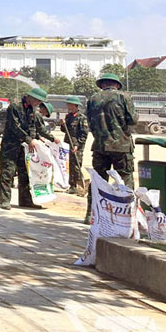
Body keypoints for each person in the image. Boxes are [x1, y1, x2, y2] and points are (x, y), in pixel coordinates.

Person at [86, 73, 138, 223]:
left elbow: (90, 122)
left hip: (100, 146)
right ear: (116, 85)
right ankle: (127, 215)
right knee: (125, 179)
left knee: (98, 181)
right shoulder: (124, 97)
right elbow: (133, 120)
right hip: (121, 146)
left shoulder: (93, 99)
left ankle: (91, 214)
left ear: (102, 84)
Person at [0, 87, 48, 210]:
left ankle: (25, 200)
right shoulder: (14, 107)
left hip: (23, 147)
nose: (38, 104)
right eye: (37, 101)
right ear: (30, 97)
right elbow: (15, 126)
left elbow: (31, 126)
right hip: (10, 145)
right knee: (7, 172)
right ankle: (5, 200)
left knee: (25, 173)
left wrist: (33, 139)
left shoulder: (31, 109)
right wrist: (29, 140)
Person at [60, 96, 89, 196]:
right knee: (68, 165)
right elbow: (65, 131)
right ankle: (71, 185)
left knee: (76, 166)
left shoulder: (82, 118)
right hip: (67, 144)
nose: (68, 106)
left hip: (77, 146)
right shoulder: (68, 116)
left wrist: (77, 145)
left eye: (69, 105)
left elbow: (84, 134)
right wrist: (62, 125)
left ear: (75, 105)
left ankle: (78, 186)